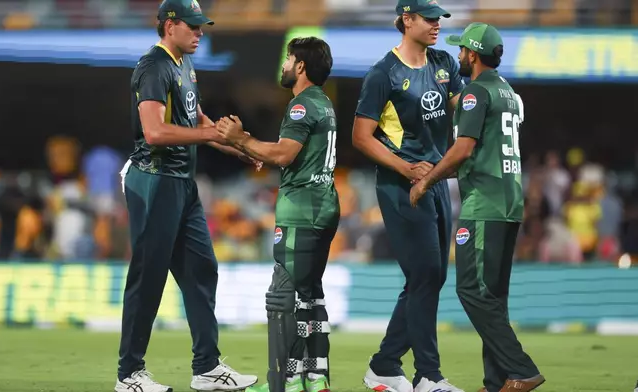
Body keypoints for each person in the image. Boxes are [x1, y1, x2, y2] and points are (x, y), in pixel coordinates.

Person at [115, 1, 260, 391]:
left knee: (201, 270)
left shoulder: (185, 66)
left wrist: (242, 148)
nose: (200, 32)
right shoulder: (154, 67)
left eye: (201, 26)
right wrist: (214, 135)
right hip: (154, 179)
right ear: (169, 25)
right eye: (193, 26)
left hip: (182, 182)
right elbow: (155, 133)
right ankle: (129, 375)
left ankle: (207, 368)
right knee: (148, 278)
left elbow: (199, 122)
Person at [409, 22, 545, 392]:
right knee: (493, 297)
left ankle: (521, 370)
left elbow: (463, 149)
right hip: (508, 202)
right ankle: (495, 380)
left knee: (470, 290)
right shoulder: (511, 95)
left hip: (483, 205)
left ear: (472, 54)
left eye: (462, 50)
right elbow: (484, 155)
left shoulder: (474, 94)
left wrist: (427, 179)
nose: (458, 55)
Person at [352, 0, 464, 391]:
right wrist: (406, 169)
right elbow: (360, 137)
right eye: (429, 19)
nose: (437, 25)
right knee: (424, 276)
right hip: (401, 185)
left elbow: (462, 113)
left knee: (432, 276)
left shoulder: (444, 64)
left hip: (436, 182)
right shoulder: (383, 73)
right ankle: (428, 376)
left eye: (439, 19)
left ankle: (384, 364)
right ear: (407, 20)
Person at [216, 37, 339, 392]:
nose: (284, 64)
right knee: (310, 295)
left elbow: (284, 155)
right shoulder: (323, 103)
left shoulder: (301, 105)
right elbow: (287, 153)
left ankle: (282, 381)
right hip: (322, 205)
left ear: (300, 66)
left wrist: (239, 139)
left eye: (288, 58)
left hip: (302, 210)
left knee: (284, 297)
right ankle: (315, 377)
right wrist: (254, 146)